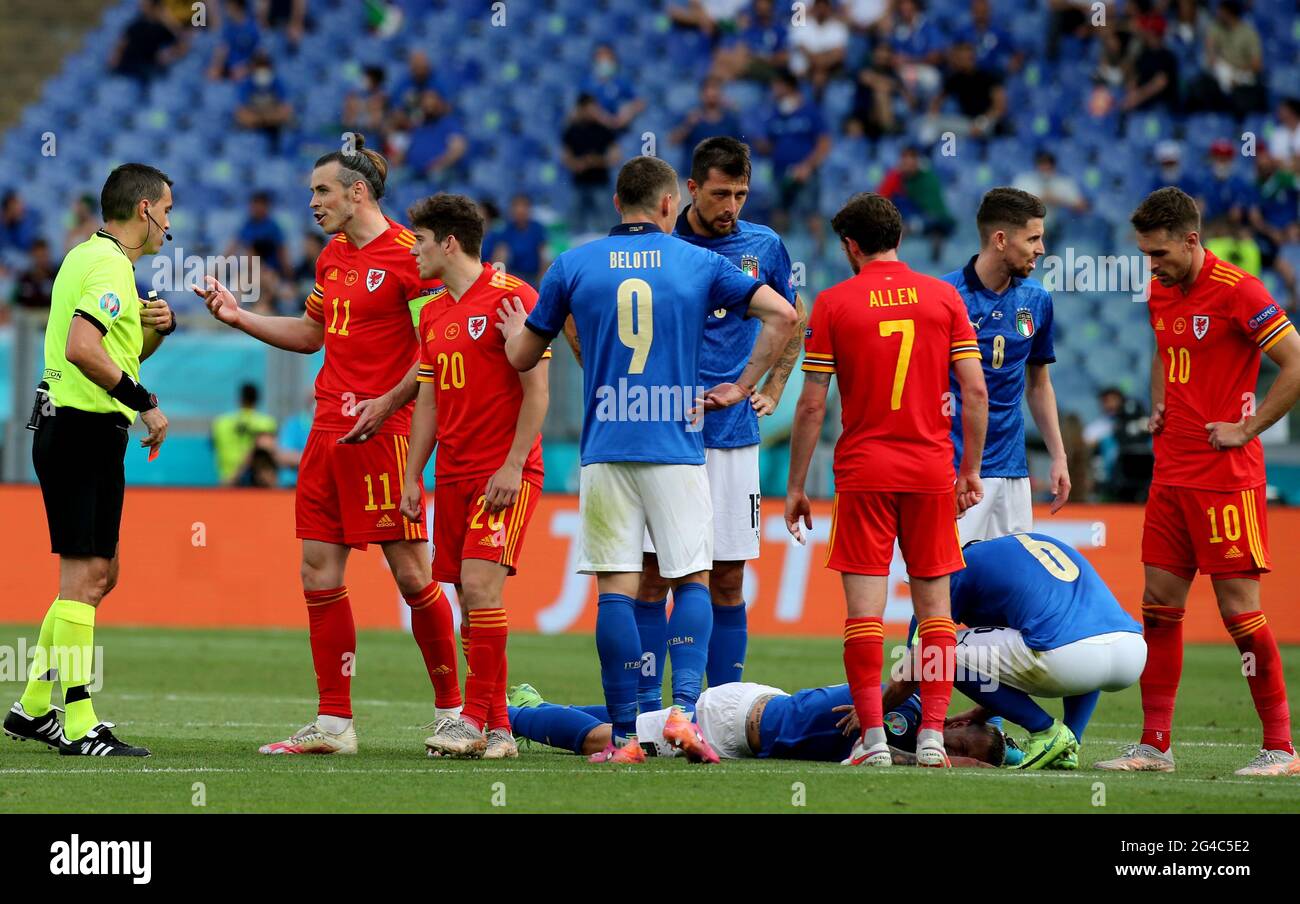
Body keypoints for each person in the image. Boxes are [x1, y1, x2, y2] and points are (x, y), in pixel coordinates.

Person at [498, 155, 798, 764]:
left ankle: (629, 738)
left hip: (607, 448)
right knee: (693, 576)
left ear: (616, 203)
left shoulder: (573, 263)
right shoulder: (698, 261)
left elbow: (524, 358)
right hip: (677, 443)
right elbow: (786, 316)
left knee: (618, 589)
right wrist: (743, 385)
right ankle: (686, 713)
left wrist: (511, 332)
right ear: (670, 204)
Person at [195, 136, 461, 756]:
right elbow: (314, 332)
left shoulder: (407, 256)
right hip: (327, 429)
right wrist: (242, 318)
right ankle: (335, 724)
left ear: (357, 191)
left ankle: (452, 713)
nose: (312, 202)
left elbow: (437, 346)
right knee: (317, 570)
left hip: (387, 432)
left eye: (321, 190)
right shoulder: (332, 257)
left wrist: (390, 403)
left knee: (412, 573)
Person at [1096, 187, 1300, 776]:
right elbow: (1164, 347)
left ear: (1191, 239)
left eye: (1158, 253)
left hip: (1225, 478)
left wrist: (1248, 426)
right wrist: (1160, 402)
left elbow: (1295, 362)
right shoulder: (1161, 291)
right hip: (1171, 474)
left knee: (1240, 614)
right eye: (1144, 254)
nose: (1151, 266)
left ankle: (1281, 749)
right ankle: (1154, 745)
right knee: (1158, 608)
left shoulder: (1242, 292)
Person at [784, 192, 988, 769]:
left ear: (851, 246)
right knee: (937, 614)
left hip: (865, 472)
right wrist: (969, 470)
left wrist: (796, 486)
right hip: (929, 473)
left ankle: (873, 741)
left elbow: (811, 406)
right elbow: (976, 392)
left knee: (864, 615)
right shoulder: (944, 297)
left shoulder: (833, 303)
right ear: (898, 236)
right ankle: (928, 739)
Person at [619, 138, 802, 711]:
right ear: (690, 191)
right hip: (664, 435)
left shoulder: (764, 246)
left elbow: (793, 322)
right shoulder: (662, 247)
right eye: (721, 193)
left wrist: (770, 388)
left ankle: (718, 707)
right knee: (653, 578)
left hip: (732, 440)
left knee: (726, 578)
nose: (732, 206)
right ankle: (652, 709)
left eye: (741, 194)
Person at [3, 164, 175, 757]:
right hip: (82, 429)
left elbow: (114, 350)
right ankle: (79, 723)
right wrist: (145, 403)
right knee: (84, 580)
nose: (169, 224)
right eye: (168, 210)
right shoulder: (108, 266)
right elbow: (83, 349)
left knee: (100, 575)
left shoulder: (89, 258)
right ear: (146, 209)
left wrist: (158, 332)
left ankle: (30, 708)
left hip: (78, 428)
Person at [384, 194, 551, 761]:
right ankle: (502, 730)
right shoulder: (432, 312)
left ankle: (470, 721)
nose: (415, 255)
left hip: (505, 472)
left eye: (422, 243)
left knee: (481, 590)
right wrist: (413, 477)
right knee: (467, 599)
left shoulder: (514, 298)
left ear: (449, 243)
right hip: (452, 475)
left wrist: (511, 464)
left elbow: (538, 392)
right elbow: (428, 402)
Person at [891, 532, 1146, 770]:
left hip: (1068, 655)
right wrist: (981, 711)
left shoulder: (954, 571)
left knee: (940, 650)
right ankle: (1070, 745)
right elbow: (1015, 659)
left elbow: (920, 663)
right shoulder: (1010, 556)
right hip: (1131, 652)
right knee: (1081, 647)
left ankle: (1045, 730)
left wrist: (873, 713)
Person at [943, 188, 1069, 542]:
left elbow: (1039, 384)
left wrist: (1058, 456)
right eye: (1033, 239)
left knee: (1009, 590)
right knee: (945, 586)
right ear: (1000, 239)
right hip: (954, 468)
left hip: (1013, 473)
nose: (1041, 249)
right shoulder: (945, 297)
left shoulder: (1037, 299)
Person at [504, 680, 1004, 766]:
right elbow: (917, 667)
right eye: (964, 739)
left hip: (751, 711)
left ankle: (531, 705)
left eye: (966, 750)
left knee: (629, 723)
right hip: (734, 723)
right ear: (956, 722)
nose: (955, 748)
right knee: (615, 741)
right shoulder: (906, 716)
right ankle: (502, 716)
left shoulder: (897, 725)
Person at [561, 94, 621, 237]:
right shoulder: (572, 130)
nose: (592, 111)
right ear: (581, 109)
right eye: (589, 108)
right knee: (575, 227)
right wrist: (577, 163)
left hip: (600, 183)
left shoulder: (604, 130)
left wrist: (597, 161)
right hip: (579, 183)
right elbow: (565, 157)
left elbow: (615, 156)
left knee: (607, 223)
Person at [211, 382, 278, 485]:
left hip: (226, 480)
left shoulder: (221, 423)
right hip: (255, 483)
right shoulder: (266, 423)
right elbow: (271, 452)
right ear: (257, 399)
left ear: (240, 398)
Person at [108, 0, 187, 84]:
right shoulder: (136, 24)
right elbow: (122, 44)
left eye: (147, 6)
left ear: (156, 8)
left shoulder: (164, 28)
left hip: (146, 66)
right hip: (127, 63)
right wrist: (115, 58)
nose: (143, 8)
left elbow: (181, 45)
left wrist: (167, 57)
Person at [484, 194, 549, 287]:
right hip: (513, 275)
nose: (520, 210)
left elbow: (544, 256)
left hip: (534, 275)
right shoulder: (505, 229)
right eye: (516, 207)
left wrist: (543, 282)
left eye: (523, 206)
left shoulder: (538, 229)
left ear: (529, 209)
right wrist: (498, 282)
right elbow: (500, 257)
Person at [233, 51, 294, 151]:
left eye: (265, 67)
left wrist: (260, 118)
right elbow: (242, 115)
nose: (262, 72)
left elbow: (286, 112)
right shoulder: (246, 85)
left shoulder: (278, 83)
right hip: (252, 131)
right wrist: (268, 117)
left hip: (275, 130)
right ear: (252, 70)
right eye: (258, 68)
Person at [228, 190, 291, 277]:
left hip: (270, 271)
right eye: (254, 204)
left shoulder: (273, 227)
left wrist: (288, 275)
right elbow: (233, 246)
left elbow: (282, 252)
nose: (256, 208)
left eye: (260, 204)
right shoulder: (247, 226)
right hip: (250, 271)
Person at [12, 238, 57, 310]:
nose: (41, 260)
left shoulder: (55, 277)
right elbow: (17, 301)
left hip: (47, 314)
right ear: (32, 255)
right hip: (28, 315)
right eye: (38, 256)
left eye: (44, 256)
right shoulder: (24, 278)